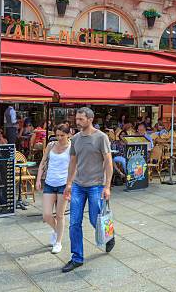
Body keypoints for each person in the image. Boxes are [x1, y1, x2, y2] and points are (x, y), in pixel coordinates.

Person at [62, 107, 113, 273]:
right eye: (76, 119)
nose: (77, 122)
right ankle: (77, 257)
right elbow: (73, 162)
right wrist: (69, 183)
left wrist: (107, 186)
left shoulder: (101, 137)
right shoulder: (75, 139)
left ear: (90, 119)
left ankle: (109, 235)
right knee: (74, 223)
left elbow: (108, 162)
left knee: (94, 220)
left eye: (81, 119)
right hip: (78, 185)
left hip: (96, 185)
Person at [36, 124, 71, 254]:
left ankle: (58, 242)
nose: (59, 138)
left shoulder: (72, 148)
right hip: (50, 183)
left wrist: (71, 184)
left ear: (68, 134)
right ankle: (57, 231)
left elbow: (75, 167)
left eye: (62, 135)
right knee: (46, 215)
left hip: (64, 184)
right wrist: (38, 179)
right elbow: (43, 162)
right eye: (57, 135)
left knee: (60, 215)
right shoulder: (51, 145)